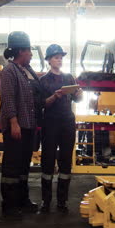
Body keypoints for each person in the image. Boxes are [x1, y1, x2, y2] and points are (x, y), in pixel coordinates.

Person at [0, 31, 45, 218]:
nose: (31, 54)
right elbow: (8, 99)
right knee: (12, 166)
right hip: (16, 125)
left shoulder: (28, 70)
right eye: (29, 51)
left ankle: (22, 200)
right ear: (20, 51)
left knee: (24, 165)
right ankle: (9, 204)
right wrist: (13, 122)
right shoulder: (9, 71)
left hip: (29, 124)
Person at [39, 44, 83, 213]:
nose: (59, 60)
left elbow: (77, 100)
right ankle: (46, 201)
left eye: (61, 57)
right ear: (49, 60)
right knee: (48, 161)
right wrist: (54, 96)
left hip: (67, 123)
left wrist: (79, 95)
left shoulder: (69, 78)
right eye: (56, 57)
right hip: (50, 123)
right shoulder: (43, 81)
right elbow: (41, 104)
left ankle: (62, 201)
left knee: (65, 161)